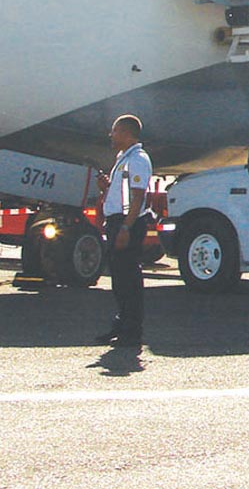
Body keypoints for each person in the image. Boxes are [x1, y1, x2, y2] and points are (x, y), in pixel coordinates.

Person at [94, 115, 154, 348]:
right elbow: (124, 194)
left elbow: (138, 197)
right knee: (119, 278)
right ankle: (123, 322)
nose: (111, 135)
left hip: (127, 223)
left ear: (128, 134)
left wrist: (126, 228)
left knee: (128, 277)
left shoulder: (137, 160)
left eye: (115, 131)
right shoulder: (124, 158)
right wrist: (107, 188)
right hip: (118, 220)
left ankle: (132, 329)